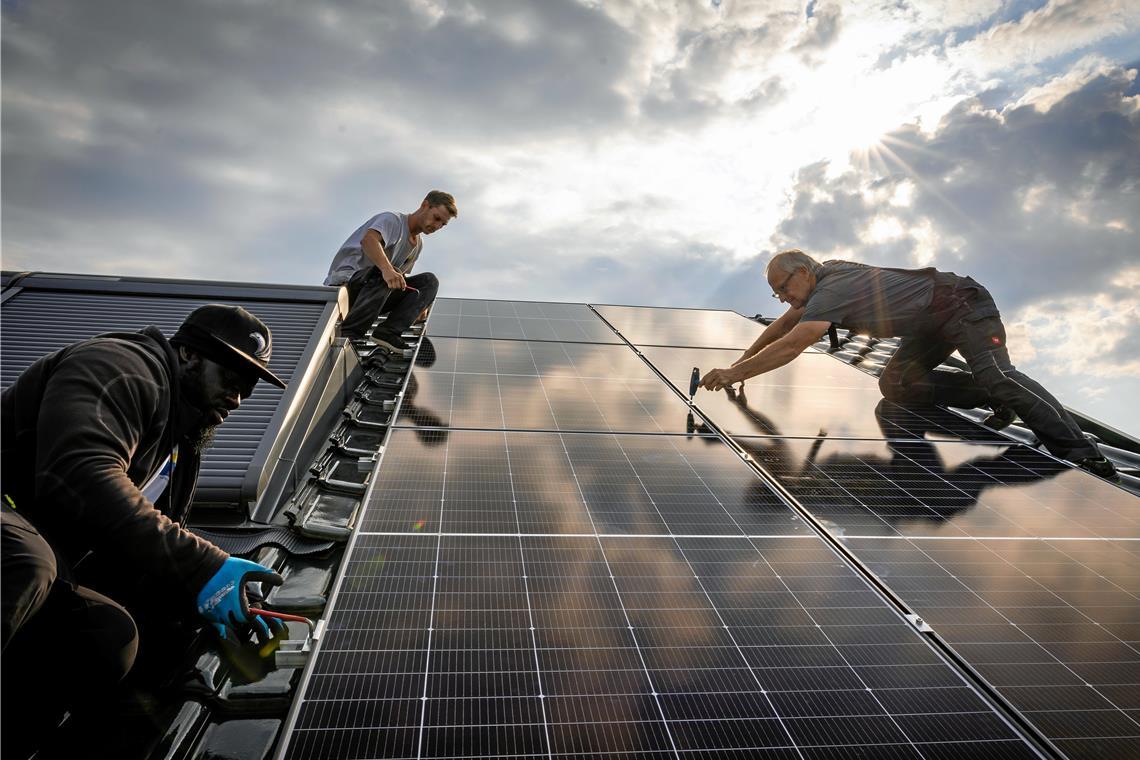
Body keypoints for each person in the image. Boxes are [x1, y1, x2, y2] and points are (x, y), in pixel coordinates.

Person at [1, 304, 289, 757]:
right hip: (10, 518)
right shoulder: (121, 367)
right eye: (232, 380)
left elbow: (142, 550)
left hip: (43, 541)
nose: (238, 400)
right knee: (25, 564)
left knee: (107, 634)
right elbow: (77, 474)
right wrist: (204, 567)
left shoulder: (180, 444)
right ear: (190, 355)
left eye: (249, 389)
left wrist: (208, 604)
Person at [699, 249, 1117, 479]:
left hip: (961, 306)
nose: (782, 300)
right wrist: (739, 364)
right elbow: (782, 328)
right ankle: (985, 392)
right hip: (927, 326)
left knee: (998, 374)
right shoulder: (822, 285)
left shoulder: (831, 288)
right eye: (776, 295)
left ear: (804, 273)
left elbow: (796, 342)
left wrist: (738, 374)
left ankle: (1082, 450)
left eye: (783, 289)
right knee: (895, 383)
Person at [324, 190, 457, 352]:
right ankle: (350, 334)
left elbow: (398, 281)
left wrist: (418, 304)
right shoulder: (393, 221)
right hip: (347, 287)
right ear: (425, 205)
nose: (437, 226)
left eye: (442, 224)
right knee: (388, 271)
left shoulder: (417, 246)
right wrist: (387, 269)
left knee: (428, 281)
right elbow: (369, 240)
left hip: (374, 295)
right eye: (436, 218)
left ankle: (387, 332)